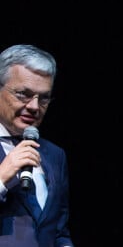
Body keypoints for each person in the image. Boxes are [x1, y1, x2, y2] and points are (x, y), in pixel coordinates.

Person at [0, 44, 74, 246]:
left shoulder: (54, 155)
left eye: (43, 98)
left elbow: (59, 231)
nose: (34, 106)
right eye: (23, 93)